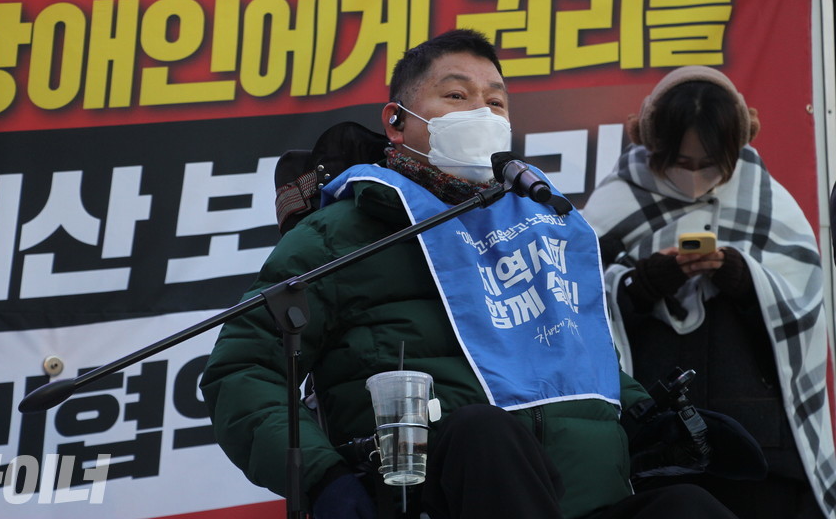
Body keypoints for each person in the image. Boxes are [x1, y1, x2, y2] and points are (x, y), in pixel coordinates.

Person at [201, 30, 742, 519]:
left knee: (689, 508)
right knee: (483, 433)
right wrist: (324, 479)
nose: (482, 112)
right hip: (442, 496)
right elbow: (243, 372)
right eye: (457, 96)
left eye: (496, 101)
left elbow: (571, 350)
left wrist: (646, 414)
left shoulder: (535, 226)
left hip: (585, 499)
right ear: (396, 121)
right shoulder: (340, 236)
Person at [583, 66, 836, 519]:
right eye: (680, 162)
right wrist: (644, 283)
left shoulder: (768, 200)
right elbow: (578, 309)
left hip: (763, 447)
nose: (695, 176)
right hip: (657, 446)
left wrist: (739, 275)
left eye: (711, 163)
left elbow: (804, 311)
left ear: (737, 147)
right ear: (651, 143)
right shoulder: (613, 202)